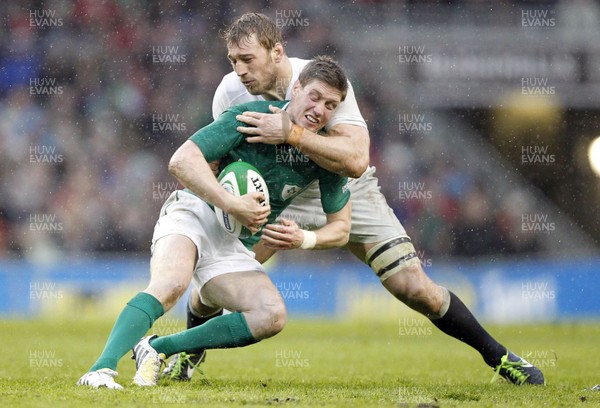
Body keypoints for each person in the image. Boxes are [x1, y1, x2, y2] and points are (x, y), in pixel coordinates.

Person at [164, 12, 544, 386]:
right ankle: (186, 354)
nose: (241, 70)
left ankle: (500, 357)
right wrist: (227, 203)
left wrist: (292, 133)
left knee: (414, 288)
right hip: (278, 191)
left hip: (345, 185)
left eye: (249, 59)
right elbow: (223, 159)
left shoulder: (320, 81)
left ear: (277, 53)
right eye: (234, 61)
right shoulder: (229, 92)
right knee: (220, 276)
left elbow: (357, 159)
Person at [76, 56, 352, 389]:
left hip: (234, 244)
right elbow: (181, 160)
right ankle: (99, 370)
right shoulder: (249, 118)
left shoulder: (324, 155)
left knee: (271, 315)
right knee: (171, 285)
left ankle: (156, 347)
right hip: (194, 213)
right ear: (296, 88)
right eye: (315, 96)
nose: (319, 109)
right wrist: (232, 203)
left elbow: (342, 228)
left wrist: (304, 239)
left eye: (330, 104)